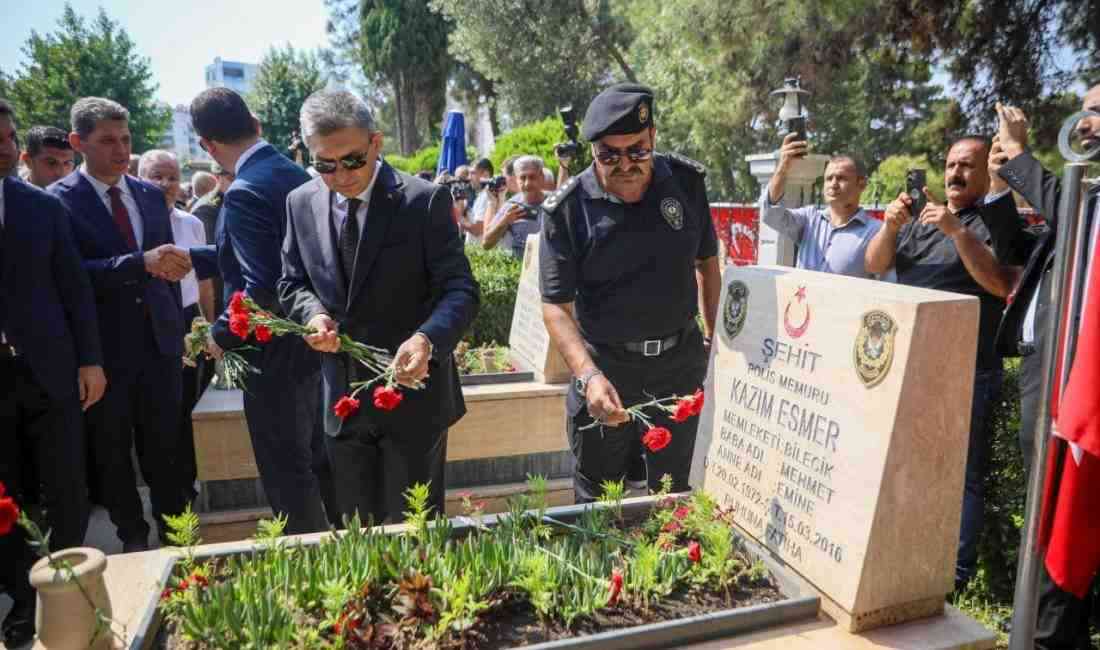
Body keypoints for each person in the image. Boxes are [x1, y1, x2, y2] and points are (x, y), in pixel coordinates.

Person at [279, 89, 479, 524]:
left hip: (414, 399)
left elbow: (460, 289)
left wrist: (428, 339)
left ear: (376, 141)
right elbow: (291, 281)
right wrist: (312, 314)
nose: (340, 175)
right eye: (324, 164)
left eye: (351, 160)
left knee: (415, 534)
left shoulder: (423, 200)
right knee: (355, 536)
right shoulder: (300, 202)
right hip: (341, 401)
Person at [539, 82, 722, 503]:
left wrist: (713, 339)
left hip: (680, 368)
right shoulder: (567, 209)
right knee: (601, 501)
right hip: (607, 369)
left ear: (653, 137)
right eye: (610, 155)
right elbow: (555, 307)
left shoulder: (686, 184)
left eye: (637, 151)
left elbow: (706, 262)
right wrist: (587, 375)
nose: (625, 164)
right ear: (593, 152)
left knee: (678, 496)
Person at [864, 135, 1019, 590]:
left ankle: (955, 576)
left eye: (967, 166)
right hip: (911, 364)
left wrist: (956, 231)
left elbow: (997, 284)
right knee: (905, 463)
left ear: (984, 172)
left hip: (967, 369)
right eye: (950, 164)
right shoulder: (921, 218)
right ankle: (906, 553)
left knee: (960, 475)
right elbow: (876, 265)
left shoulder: (992, 220)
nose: (955, 174)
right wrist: (891, 227)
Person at [186, 87, 337, 534]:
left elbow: (262, 287)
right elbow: (276, 257)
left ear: (206, 145)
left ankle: (314, 571)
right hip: (313, 345)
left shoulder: (246, 191)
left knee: (289, 476)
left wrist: (218, 335)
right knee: (319, 464)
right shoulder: (296, 174)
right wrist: (195, 256)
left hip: (274, 359)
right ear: (255, 123)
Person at [49, 97, 191, 552]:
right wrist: (138, 263)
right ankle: (134, 539)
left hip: (160, 346)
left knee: (166, 450)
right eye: (107, 140)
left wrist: (178, 321)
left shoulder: (150, 195)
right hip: (103, 354)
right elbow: (71, 276)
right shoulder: (56, 202)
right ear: (78, 142)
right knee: (112, 455)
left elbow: (162, 267)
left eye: (126, 140)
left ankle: (177, 540)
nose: (121, 150)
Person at [984, 89, 1100, 650]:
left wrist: (1020, 152)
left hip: (1080, 382)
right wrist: (1003, 180)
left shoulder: (1085, 204)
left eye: (1099, 109)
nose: (1088, 118)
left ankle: (1051, 636)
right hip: (1043, 371)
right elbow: (1012, 244)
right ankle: (1040, 627)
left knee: (1066, 509)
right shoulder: (1082, 201)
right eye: (1086, 107)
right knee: (1043, 505)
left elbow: (1064, 205)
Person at [0, 99, 105, 647]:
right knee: (6, 497)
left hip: (50, 371)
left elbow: (74, 289)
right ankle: (24, 598)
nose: (6, 146)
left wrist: (90, 360)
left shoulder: (41, 209)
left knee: (67, 486)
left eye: (9, 136)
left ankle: (72, 586)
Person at [139, 150, 215, 502]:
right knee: (157, 414)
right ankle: (165, 490)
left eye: (172, 176)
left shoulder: (192, 223)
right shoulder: (134, 222)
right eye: (157, 176)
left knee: (188, 404)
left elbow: (204, 282)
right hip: (148, 323)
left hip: (188, 320)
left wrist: (210, 327)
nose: (165, 184)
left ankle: (188, 481)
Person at [761, 135, 884, 279]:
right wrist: (784, 165)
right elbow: (769, 213)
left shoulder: (876, 231)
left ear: (861, 184)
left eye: (841, 178)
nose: (833, 184)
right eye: (828, 178)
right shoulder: (809, 218)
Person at [482, 155, 546, 259]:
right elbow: (486, 243)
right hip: (522, 271)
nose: (527, 183)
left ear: (541, 176)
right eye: (522, 178)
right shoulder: (511, 206)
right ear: (516, 179)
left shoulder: (554, 202)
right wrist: (505, 221)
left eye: (532, 177)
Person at [190, 163, 232, 316]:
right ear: (217, 178)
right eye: (231, 176)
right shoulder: (207, 209)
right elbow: (208, 263)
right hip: (221, 292)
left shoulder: (235, 197)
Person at [462, 158, 493, 245]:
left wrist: (457, 216)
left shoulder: (487, 196)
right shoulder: (482, 195)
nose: (469, 178)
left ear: (485, 175)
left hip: (481, 254)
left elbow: (477, 230)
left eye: (473, 173)